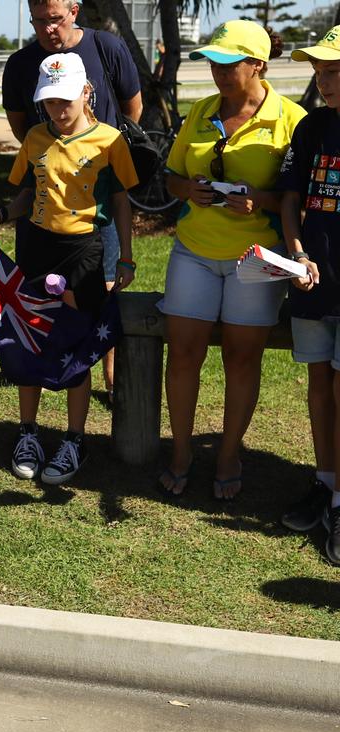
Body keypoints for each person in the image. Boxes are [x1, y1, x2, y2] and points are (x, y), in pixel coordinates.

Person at [157, 21, 306, 500]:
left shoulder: (292, 119)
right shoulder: (201, 111)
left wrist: (256, 200)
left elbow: (297, 199)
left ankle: (227, 454)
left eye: (229, 63)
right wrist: (190, 191)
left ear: (258, 65)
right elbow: (172, 178)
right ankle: (181, 451)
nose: (218, 73)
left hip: (257, 260)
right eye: (213, 63)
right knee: (183, 355)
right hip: (195, 253)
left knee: (242, 360)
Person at [0, 52, 138, 485]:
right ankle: (28, 432)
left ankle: (73, 440)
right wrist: (1, 217)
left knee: (74, 339)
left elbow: (122, 201)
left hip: (84, 248)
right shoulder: (34, 137)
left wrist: (124, 255)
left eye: (65, 100)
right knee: (30, 336)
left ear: (87, 93)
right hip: (36, 244)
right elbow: (25, 192)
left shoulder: (110, 140)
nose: (58, 110)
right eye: (49, 102)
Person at [1, 0, 142, 403]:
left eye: (56, 18)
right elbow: (19, 125)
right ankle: (51, 365)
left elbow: (132, 109)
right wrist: (53, 160)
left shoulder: (105, 48)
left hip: (97, 201)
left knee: (103, 290)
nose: (48, 28)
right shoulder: (21, 63)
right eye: (39, 20)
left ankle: (109, 377)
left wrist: (98, 147)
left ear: (75, 11)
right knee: (41, 298)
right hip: (46, 207)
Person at [276, 26, 340, 563]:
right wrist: (297, 253)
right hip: (312, 280)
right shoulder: (312, 126)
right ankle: (324, 482)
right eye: (321, 69)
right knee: (319, 386)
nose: (327, 78)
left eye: (336, 69)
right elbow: (291, 199)